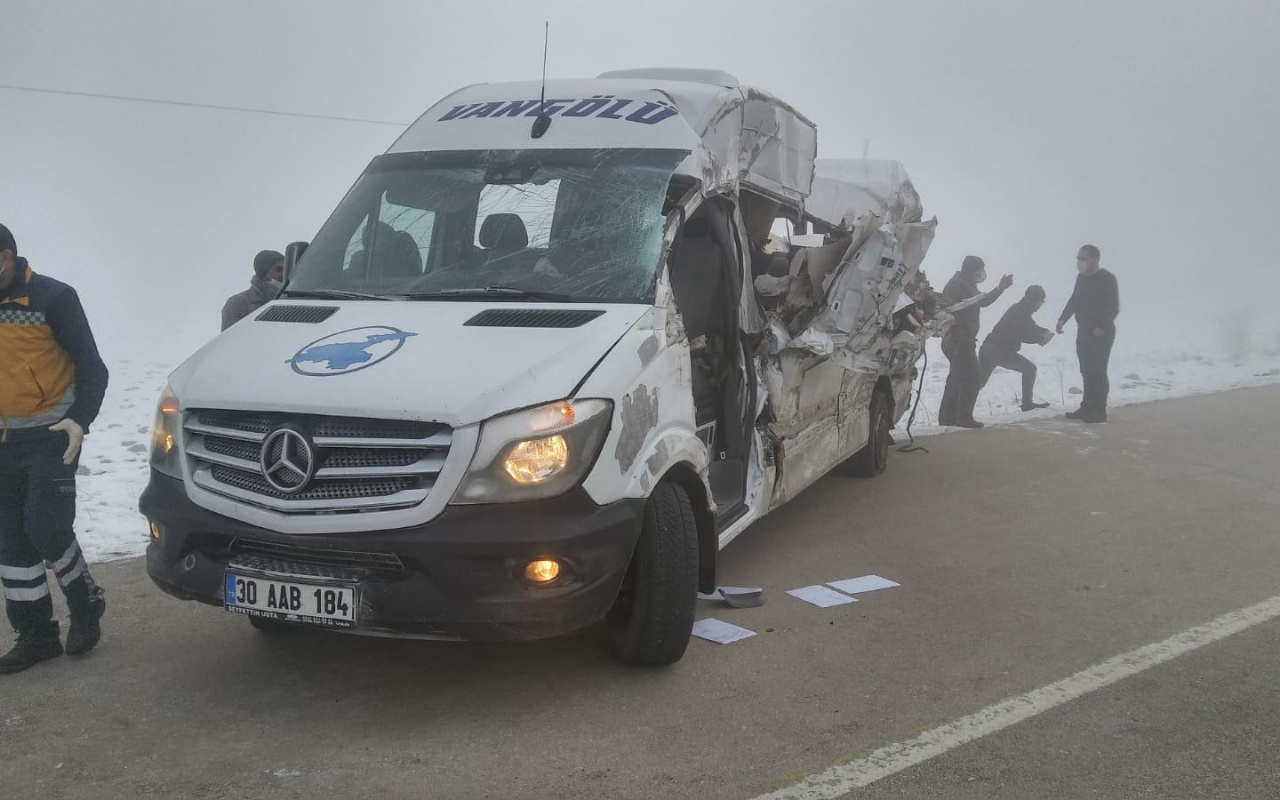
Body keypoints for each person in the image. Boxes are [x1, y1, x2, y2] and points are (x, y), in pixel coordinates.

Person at [0, 223, 109, 673]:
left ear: (5, 257)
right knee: (10, 541)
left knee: (45, 525)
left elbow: (93, 367)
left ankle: (84, 603)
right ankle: (37, 636)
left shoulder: (53, 297)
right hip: (4, 441)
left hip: (52, 435)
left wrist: (79, 421)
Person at [938, 255, 1014, 428]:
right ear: (971, 270)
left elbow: (983, 301)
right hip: (958, 340)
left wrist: (999, 289)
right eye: (979, 270)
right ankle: (963, 417)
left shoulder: (968, 285)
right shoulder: (956, 285)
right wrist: (947, 334)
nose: (982, 274)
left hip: (964, 338)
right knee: (973, 377)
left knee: (957, 378)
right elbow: (945, 310)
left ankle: (947, 418)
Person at [1056, 244, 1119, 423]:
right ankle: (1087, 407)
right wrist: (1062, 319)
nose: (1080, 262)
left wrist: (1103, 326)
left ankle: (1099, 411)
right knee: (1086, 371)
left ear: (1095, 259)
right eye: (1078, 258)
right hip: (1083, 331)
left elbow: (1113, 306)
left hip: (1101, 333)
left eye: (1083, 258)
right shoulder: (1081, 278)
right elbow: (1074, 299)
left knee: (1097, 371)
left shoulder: (1107, 279)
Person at [979, 285, 1052, 411]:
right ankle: (1027, 404)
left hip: (989, 348)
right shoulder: (1021, 312)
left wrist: (1043, 332)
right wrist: (1039, 339)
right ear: (1034, 300)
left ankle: (957, 410)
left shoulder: (1021, 310)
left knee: (977, 383)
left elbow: (1031, 327)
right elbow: (1021, 333)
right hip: (997, 350)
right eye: (1041, 302)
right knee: (1030, 369)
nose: (1041, 305)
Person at [221, 249, 284, 330]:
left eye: (285, 269)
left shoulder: (291, 299)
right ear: (264, 274)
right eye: (279, 270)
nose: (283, 274)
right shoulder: (238, 304)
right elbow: (230, 339)